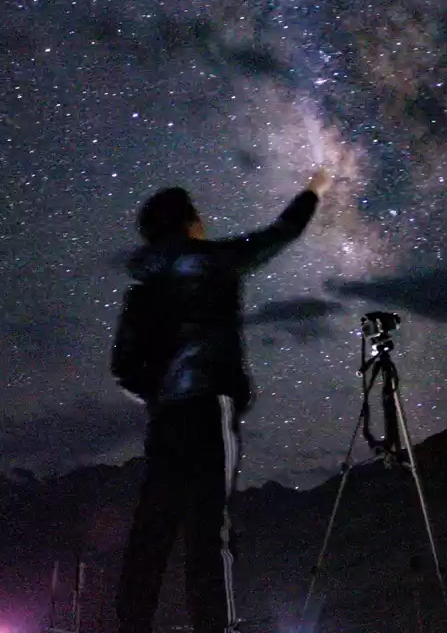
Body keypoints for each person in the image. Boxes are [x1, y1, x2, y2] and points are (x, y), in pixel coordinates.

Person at [115, 170, 333, 633]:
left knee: (152, 530)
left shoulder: (142, 290)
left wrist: (157, 393)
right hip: (208, 408)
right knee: (207, 530)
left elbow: (124, 366)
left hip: (166, 417)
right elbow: (282, 232)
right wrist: (313, 190)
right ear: (189, 222)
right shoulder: (217, 261)